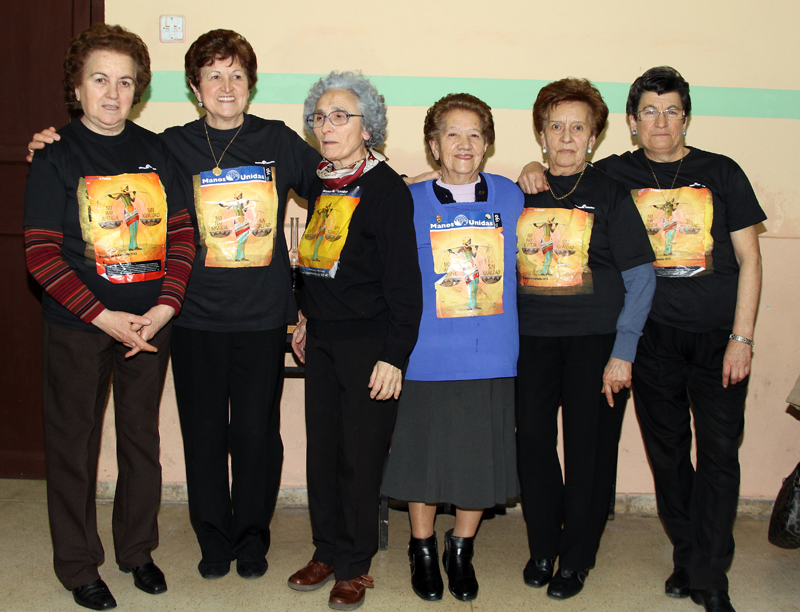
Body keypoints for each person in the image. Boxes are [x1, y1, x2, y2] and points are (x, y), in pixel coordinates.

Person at [518, 67, 765, 612]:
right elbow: (556, 172)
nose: (661, 122)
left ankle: (709, 574)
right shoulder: (613, 173)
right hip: (652, 342)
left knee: (718, 455)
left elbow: (750, 258)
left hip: (713, 338)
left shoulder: (720, 172)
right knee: (668, 457)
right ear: (632, 123)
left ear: (686, 118)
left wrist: (742, 337)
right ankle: (686, 556)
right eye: (649, 111)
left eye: (671, 111)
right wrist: (531, 168)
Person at [23, 24, 195, 611]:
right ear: (77, 87)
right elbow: (41, 254)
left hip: (148, 327)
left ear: (138, 90)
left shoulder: (158, 152)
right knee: (73, 446)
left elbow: (183, 236)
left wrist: (163, 309)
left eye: (125, 82)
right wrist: (103, 317)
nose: (113, 93)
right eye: (100, 79)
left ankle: (137, 551)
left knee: (141, 443)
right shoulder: (55, 154)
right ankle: (78, 566)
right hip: (78, 328)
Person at [515, 78, 656, 601]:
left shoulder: (611, 193)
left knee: (588, 453)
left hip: (596, 343)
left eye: (579, 128)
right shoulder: (521, 192)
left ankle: (576, 558)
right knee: (532, 443)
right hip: (531, 340)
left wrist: (623, 353)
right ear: (541, 134)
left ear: (594, 137)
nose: (567, 137)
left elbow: (642, 279)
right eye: (557, 127)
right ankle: (543, 547)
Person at [288, 71, 423, 611]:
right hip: (321, 339)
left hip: (370, 345)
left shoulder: (386, 189)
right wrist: (305, 316)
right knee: (322, 454)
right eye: (320, 117)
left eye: (341, 116)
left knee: (359, 460)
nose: (327, 126)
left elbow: (405, 285)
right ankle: (326, 551)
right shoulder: (321, 181)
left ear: (368, 129)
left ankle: (354, 566)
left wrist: (394, 355)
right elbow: (320, 261)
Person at [380, 93, 522, 603]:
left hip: (491, 351)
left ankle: (460, 547)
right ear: (434, 144)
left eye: (475, 134)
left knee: (478, 460)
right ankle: (421, 546)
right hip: (425, 352)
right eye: (452, 134)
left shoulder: (512, 196)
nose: (464, 144)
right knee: (422, 459)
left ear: (487, 144)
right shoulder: (408, 201)